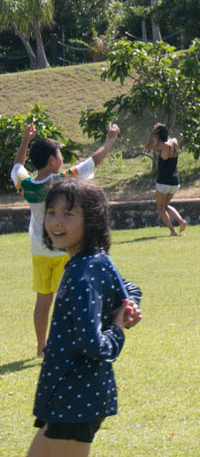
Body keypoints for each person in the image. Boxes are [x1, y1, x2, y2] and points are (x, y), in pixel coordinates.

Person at [25, 177, 141, 457]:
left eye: (69, 214)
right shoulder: (92, 260)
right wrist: (129, 309)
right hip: (67, 394)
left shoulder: (82, 271)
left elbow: (94, 345)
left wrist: (118, 327)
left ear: (91, 221)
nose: (56, 221)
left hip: (75, 398)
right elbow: (130, 291)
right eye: (52, 212)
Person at [11, 122, 120, 358]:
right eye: (59, 154)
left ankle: (41, 348)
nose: (61, 158)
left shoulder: (26, 185)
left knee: (43, 300)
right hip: (62, 248)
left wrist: (25, 140)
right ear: (52, 160)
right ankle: (72, 344)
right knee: (70, 299)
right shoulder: (62, 183)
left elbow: (17, 166)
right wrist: (110, 139)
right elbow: (93, 161)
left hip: (38, 250)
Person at [144, 123, 187, 236]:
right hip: (175, 181)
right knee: (166, 206)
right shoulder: (174, 141)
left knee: (160, 208)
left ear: (157, 135)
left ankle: (172, 231)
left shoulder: (163, 145)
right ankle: (181, 222)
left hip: (163, 181)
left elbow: (147, 146)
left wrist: (151, 133)